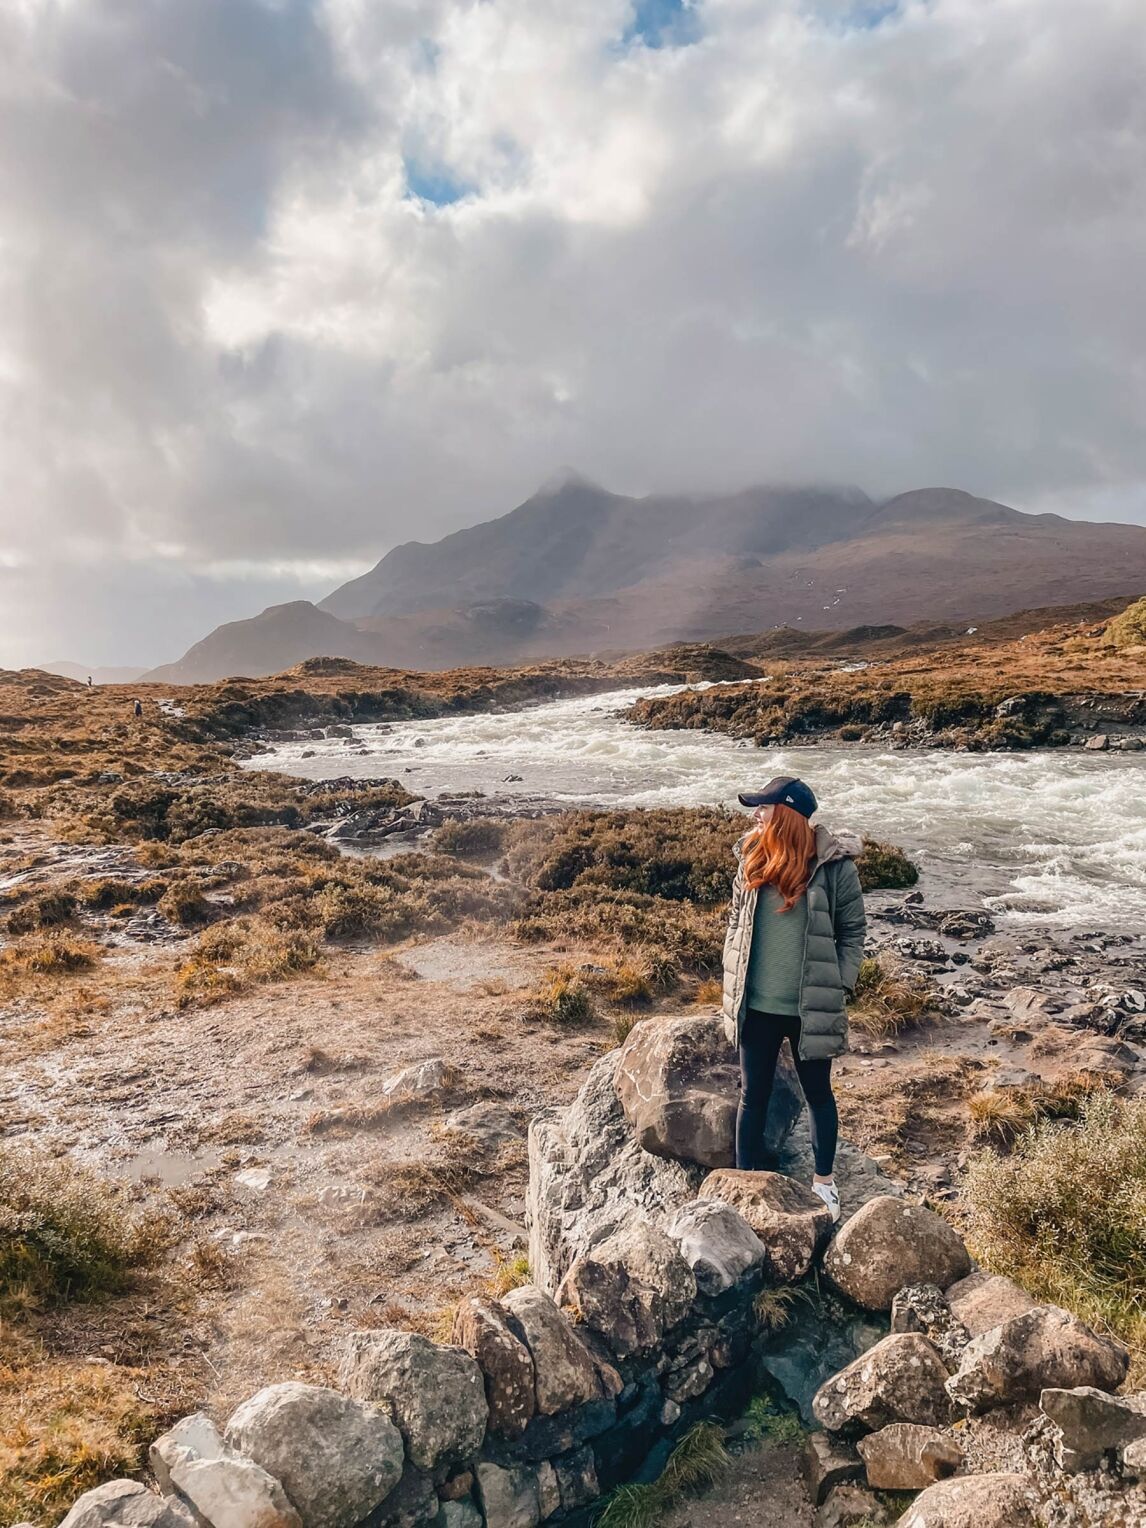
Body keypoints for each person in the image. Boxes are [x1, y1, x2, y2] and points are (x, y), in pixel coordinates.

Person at [720, 775, 865, 1222]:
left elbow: (853, 932)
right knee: (752, 1095)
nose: (756, 815)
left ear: (787, 814)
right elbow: (735, 922)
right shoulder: (750, 856)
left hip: (808, 1008)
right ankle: (743, 1184)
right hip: (756, 1005)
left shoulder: (834, 868)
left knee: (819, 1094)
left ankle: (824, 1184)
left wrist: (838, 982)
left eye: (764, 807)